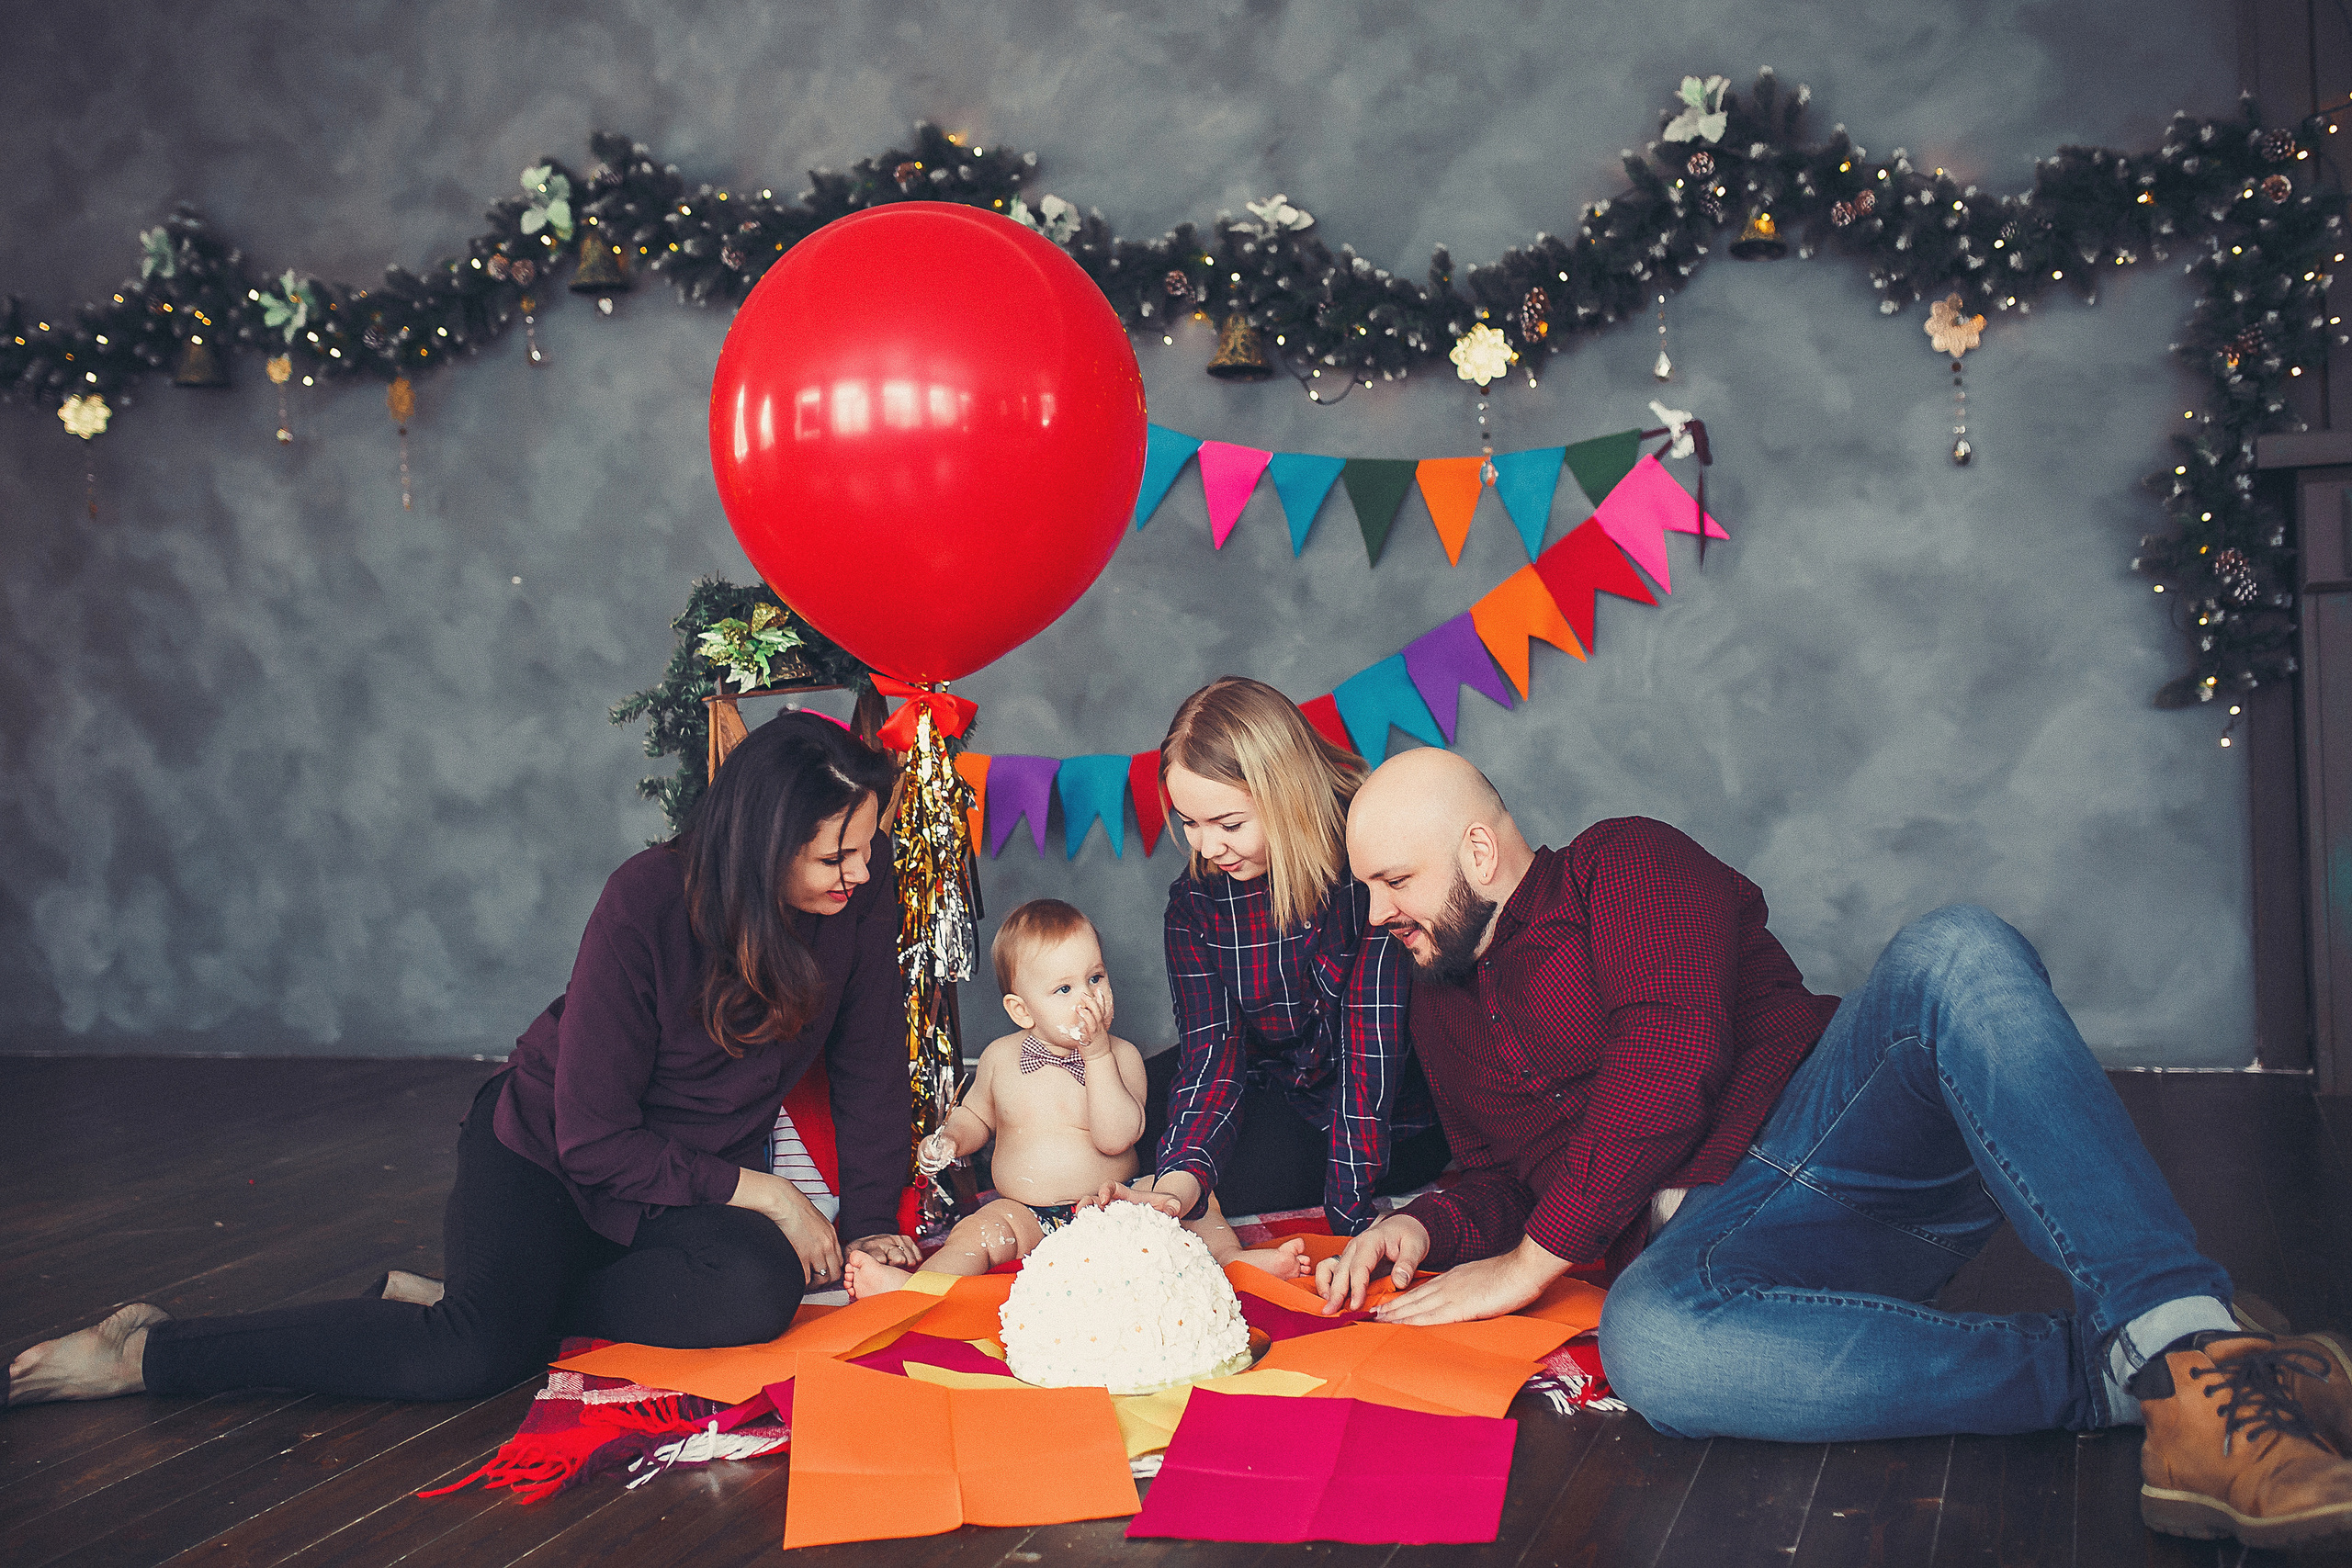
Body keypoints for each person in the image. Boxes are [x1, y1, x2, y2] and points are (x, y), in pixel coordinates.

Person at [1318, 745, 2352, 1552]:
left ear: (1481, 855)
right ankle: (2162, 1378)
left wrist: (1530, 1264)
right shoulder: (1437, 1007)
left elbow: (1670, 1056)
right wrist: (1424, 1223)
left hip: (1841, 1133)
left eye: (1393, 880)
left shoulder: (1621, 865)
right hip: (1728, 1250)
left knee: (1953, 945)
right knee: (1653, 1347)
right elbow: (1496, 1173)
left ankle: (2175, 1327)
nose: (1378, 914)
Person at [9, 712, 920, 1408]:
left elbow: (871, 1072)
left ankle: (511, 1304)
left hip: (672, 1186)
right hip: (549, 1155)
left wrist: (874, 1221)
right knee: (469, 1355)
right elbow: (594, 1139)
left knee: (755, 1292)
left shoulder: (857, 906)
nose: (860, 871)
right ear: (761, 850)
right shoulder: (646, 902)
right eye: (833, 854)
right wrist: (766, 1190)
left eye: (866, 844)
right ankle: (145, 1354)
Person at [1123, 677, 1450, 1238]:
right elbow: (1211, 1051)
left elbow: (1372, 1053)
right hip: (1278, 1073)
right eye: (1190, 824)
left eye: (1228, 825)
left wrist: (1353, 1215)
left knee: (1239, 1173)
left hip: (1386, 1102)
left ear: (1284, 794)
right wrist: (1179, 1180)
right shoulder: (1196, 900)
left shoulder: (1364, 856)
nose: (1206, 847)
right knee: (1118, 1099)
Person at [845, 898, 1306, 1295]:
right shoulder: (1000, 1058)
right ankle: (919, 1289)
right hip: (1027, 1216)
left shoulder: (1122, 1056)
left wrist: (1098, 1056)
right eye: (1064, 989)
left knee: (1190, 1199)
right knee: (975, 1234)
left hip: (1113, 1210)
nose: (1086, 997)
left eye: (1095, 978)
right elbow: (976, 1117)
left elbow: (1116, 1138)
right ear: (1021, 1010)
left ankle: (1235, 1263)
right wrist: (952, 1140)